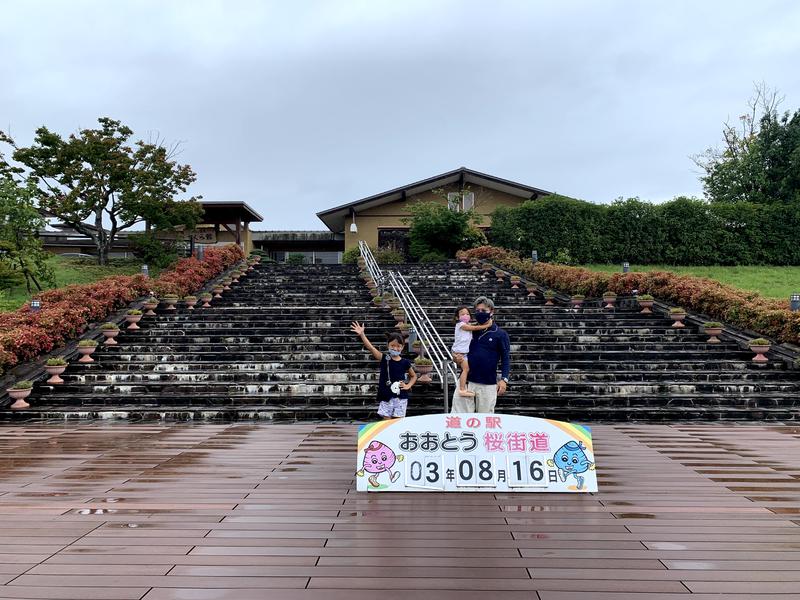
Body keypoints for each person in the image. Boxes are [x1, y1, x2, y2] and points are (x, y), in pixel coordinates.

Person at [451, 296, 511, 414]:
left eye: (483, 311)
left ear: (492, 312)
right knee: (459, 419)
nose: (480, 313)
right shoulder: (469, 330)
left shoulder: (500, 334)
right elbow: (457, 348)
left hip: (488, 384)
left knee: (485, 421)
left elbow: (505, 358)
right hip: (467, 382)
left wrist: (504, 379)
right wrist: (455, 357)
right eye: (477, 311)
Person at [351, 321, 416, 419]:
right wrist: (362, 335)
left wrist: (408, 385)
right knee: (386, 422)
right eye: (393, 345)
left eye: (398, 346)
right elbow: (371, 348)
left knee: (398, 422)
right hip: (386, 396)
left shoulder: (405, 362)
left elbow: (414, 376)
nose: (395, 348)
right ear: (388, 345)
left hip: (401, 397)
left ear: (402, 347)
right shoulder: (384, 358)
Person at [452, 305, 494, 398]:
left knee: (466, 369)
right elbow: (474, 328)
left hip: (463, 353)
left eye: (467, 314)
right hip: (459, 353)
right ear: (457, 317)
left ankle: (463, 388)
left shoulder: (466, 324)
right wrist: (487, 325)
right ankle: (462, 389)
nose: (465, 315)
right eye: (462, 314)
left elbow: (474, 325)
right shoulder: (461, 325)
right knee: (465, 370)